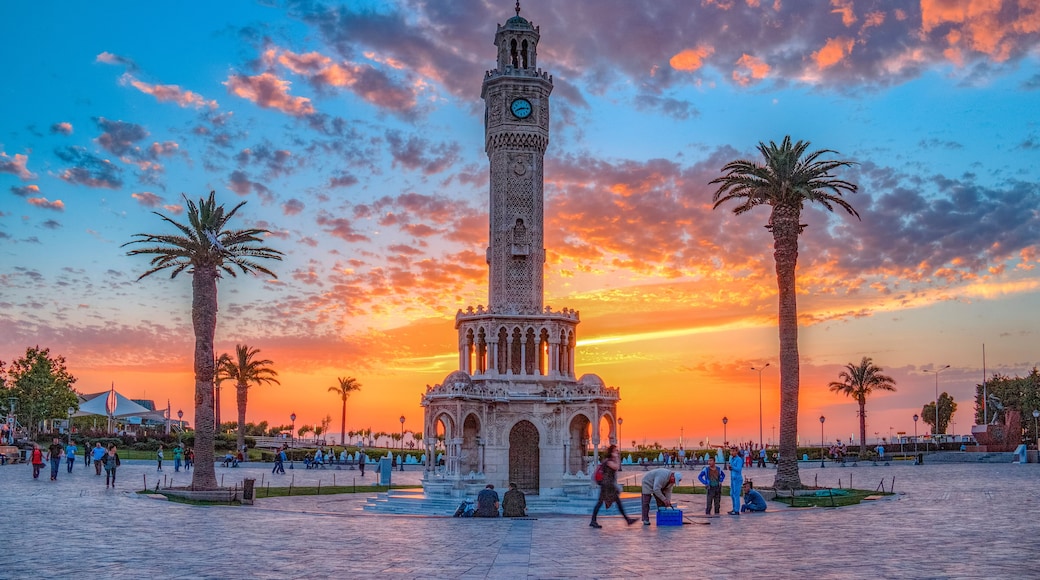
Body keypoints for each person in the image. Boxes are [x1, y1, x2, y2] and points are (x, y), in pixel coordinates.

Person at [590, 444, 635, 527]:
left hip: (607, 485)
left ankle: (593, 520)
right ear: (611, 452)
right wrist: (617, 457)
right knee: (609, 502)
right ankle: (627, 520)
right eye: (615, 451)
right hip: (607, 486)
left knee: (604, 502)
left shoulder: (608, 460)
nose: (617, 452)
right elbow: (617, 467)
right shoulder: (609, 461)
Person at [728, 447, 744, 515]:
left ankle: (737, 510)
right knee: (732, 494)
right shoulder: (731, 459)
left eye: (733, 451)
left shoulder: (739, 459)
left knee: (736, 494)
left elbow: (739, 469)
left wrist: (732, 467)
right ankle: (734, 508)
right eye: (731, 451)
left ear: (736, 452)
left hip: (737, 478)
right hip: (732, 478)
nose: (732, 453)